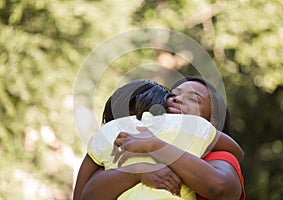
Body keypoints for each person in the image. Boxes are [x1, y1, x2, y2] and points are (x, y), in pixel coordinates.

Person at [74, 78, 245, 200]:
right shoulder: (122, 148)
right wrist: (140, 170)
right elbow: (85, 194)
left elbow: (220, 188)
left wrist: (154, 145)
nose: (177, 99)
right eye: (172, 95)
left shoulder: (218, 157)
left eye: (193, 99)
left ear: (211, 122)